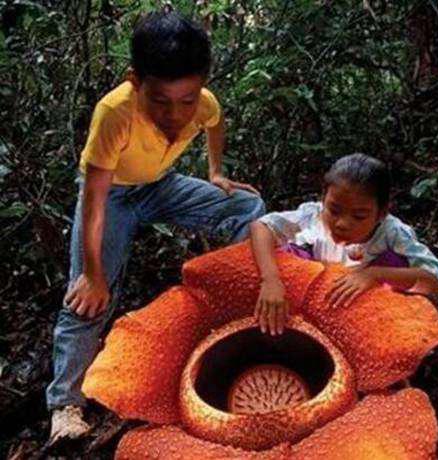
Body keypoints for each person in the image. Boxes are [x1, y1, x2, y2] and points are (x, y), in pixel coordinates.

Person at [47, 10, 264, 444]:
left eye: (187, 100)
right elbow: (93, 203)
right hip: (112, 198)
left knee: (248, 206)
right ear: (134, 80)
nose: (175, 114)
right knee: (87, 299)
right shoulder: (114, 113)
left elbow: (214, 123)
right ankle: (65, 404)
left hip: (158, 185)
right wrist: (92, 274)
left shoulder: (203, 103)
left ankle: (233, 302)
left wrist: (216, 172)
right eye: (160, 100)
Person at [250, 153, 438, 336]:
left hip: (369, 310)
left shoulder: (392, 233)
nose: (342, 224)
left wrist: (375, 275)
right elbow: (262, 226)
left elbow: (436, 280)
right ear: (323, 199)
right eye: (334, 210)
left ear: (382, 213)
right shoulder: (312, 216)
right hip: (311, 304)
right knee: (288, 254)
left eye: (359, 216)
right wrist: (271, 279)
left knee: (397, 261)